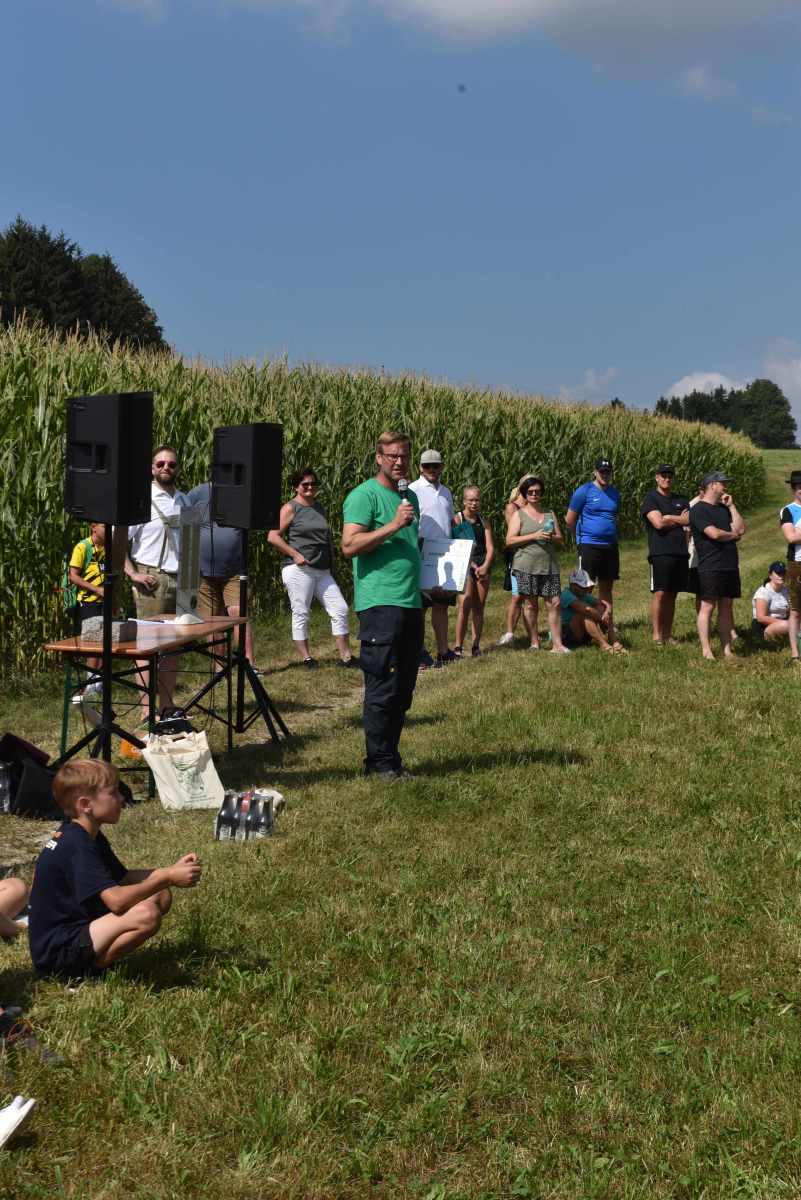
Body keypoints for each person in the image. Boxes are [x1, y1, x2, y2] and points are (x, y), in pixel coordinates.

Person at [28, 759, 202, 980]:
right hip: (57, 951)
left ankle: (90, 961)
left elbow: (124, 877)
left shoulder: (85, 834)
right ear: (86, 805)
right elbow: (117, 901)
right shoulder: (76, 844)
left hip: (76, 929)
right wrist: (168, 877)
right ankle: (88, 971)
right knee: (146, 914)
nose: (121, 798)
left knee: (160, 895)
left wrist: (171, 870)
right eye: (113, 793)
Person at [341, 431, 423, 780]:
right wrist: (393, 525)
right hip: (380, 603)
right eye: (392, 456)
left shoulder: (410, 497)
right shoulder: (364, 496)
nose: (399, 462)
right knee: (383, 685)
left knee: (403, 689)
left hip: (410, 600)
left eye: (404, 456)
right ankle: (377, 764)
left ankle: (391, 759)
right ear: (379, 458)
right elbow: (349, 545)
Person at [124, 446, 189, 721]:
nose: (166, 468)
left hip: (183, 579)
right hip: (153, 579)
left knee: (173, 646)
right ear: (152, 468)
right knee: (147, 645)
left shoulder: (184, 500)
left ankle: (166, 707)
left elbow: (191, 541)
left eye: (171, 464)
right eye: (160, 463)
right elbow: (118, 541)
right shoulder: (142, 499)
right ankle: (146, 712)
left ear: (177, 468)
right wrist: (133, 574)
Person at [267, 468, 355, 669]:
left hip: (322, 569)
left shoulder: (318, 507)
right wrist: (294, 554)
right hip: (299, 569)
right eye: (304, 484)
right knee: (301, 612)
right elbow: (272, 536)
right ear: (295, 487)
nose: (309, 487)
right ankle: (307, 659)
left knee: (340, 608)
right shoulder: (290, 508)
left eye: (313, 484)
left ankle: (346, 657)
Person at [186, 480, 257, 668]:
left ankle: (248, 664)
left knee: (238, 614)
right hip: (203, 572)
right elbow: (185, 526)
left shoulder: (240, 493)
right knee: (212, 620)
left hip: (234, 570)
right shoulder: (196, 494)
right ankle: (219, 667)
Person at [565, 457, 624, 650]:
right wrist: (580, 540)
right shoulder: (584, 491)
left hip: (610, 546)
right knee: (585, 588)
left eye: (608, 472)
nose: (605, 475)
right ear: (595, 472)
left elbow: (613, 517)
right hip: (589, 545)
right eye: (602, 472)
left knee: (607, 587)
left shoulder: (614, 493)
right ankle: (587, 626)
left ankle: (607, 624)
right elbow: (570, 520)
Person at [506, 476, 568, 653]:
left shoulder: (549, 513)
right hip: (526, 566)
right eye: (530, 492)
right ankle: (534, 642)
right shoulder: (518, 514)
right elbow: (509, 540)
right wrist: (534, 536)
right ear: (525, 493)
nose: (534, 495)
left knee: (555, 603)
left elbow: (560, 539)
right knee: (530, 604)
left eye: (537, 492)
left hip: (549, 565)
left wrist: (551, 536)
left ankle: (557, 644)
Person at [689, 471, 746, 660]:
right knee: (707, 606)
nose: (725, 487)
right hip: (711, 565)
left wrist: (732, 506)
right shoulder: (698, 510)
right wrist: (733, 535)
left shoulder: (723, 509)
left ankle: (727, 650)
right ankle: (706, 650)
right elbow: (714, 534)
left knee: (726, 606)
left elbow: (741, 529)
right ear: (712, 485)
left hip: (730, 564)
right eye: (722, 483)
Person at [409, 449, 456, 667]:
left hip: (445, 552)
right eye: (427, 466)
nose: (431, 470)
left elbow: (449, 521)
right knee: (421, 606)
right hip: (422, 551)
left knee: (441, 604)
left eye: (435, 466)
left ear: (441, 467)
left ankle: (443, 651)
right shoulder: (413, 490)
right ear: (420, 467)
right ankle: (418, 651)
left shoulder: (446, 492)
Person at [640, 465, 690, 644]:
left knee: (672, 594)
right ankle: (656, 635)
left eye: (670, 476)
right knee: (660, 593)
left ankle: (667, 634)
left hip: (680, 552)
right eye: (663, 475)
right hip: (660, 552)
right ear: (657, 477)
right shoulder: (651, 499)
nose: (667, 479)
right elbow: (658, 524)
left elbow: (689, 521)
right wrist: (679, 520)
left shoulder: (681, 500)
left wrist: (669, 517)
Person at [453, 486, 495, 657]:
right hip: (464, 564)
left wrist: (485, 566)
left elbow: (490, 548)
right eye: (470, 500)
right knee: (465, 604)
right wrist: (471, 564)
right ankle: (458, 647)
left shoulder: (484, 522)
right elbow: (455, 544)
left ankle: (476, 646)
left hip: (482, 564)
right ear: (464, 501)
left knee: (479, 607)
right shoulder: (457, 519)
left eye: (477, 500)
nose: (474, 503)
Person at [67, 521, 106, 703]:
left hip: (106, 602)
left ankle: (99, 683)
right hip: (88, 602)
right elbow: (73, 576)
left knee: (105, 642)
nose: (108, 530)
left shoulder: (109, 547)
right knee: (93, 643)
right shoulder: (83, 547)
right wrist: (96, 589)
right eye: (104, 526)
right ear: (93, 527)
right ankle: (90, 683)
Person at [497, 475, 538, 647]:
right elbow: (514, 534)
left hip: (534, 556)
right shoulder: (512, 507)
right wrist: (535, 535)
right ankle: (509, 633)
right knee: (518, 595)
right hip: (517, 556)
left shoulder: (534, 506)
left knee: (531, 597)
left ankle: (533, 635)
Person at [559, 567, 616, 652]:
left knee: (599, 607)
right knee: (583, 615)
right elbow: (587, 609)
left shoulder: (584, 594)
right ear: (573, 585)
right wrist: (603, 618)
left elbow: (602, 603)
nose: (586, 589)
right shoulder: (566, 595)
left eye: (586, 586)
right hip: (567, 635)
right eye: (583, 587)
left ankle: (608, 635)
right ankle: (603, 644)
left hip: (580, 633)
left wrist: (607, 610)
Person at [779, 470, 801, 663]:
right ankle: (795, 652)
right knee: (796, 609)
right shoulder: (788, 511)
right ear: (794, 489)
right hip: (797, 563)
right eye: (799, 487)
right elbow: (791, 537)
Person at [752, 561, 791, 645]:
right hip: (764, 627)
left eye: (783, 573)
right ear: (770, 575)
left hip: (782, 622)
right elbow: (761, 618)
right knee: (789, 625)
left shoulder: (785, 590)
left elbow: (788, 610)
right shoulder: (763, 592)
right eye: (778, 573)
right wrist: (783, 623)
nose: (781, 576)